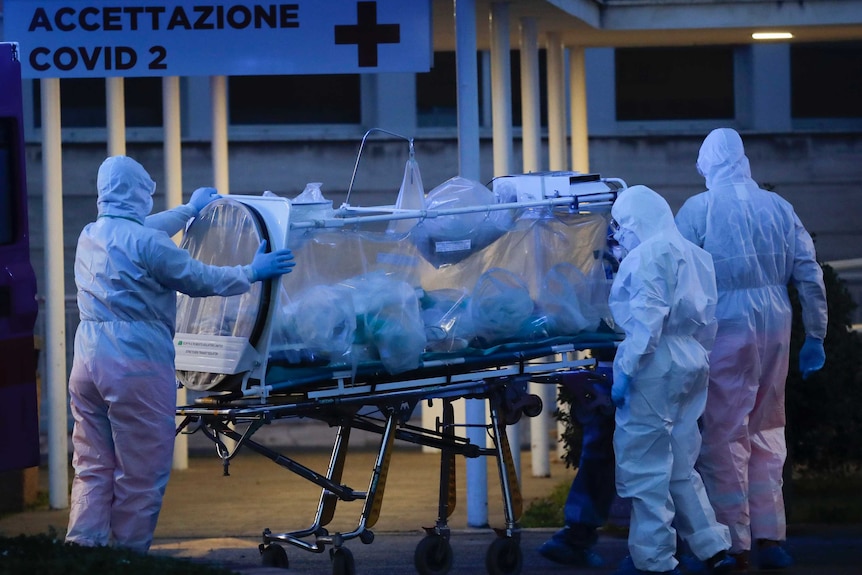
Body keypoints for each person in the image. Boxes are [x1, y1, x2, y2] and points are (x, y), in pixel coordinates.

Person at [65, 155, 296, 554]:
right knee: (140, 471)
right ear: (139, 192)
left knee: (92, 465)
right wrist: (253, 271)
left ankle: (83, 551)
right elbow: (198, 278)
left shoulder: (92, 234)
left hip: (86, 362)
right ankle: (128, 558)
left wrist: (189, 210)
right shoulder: (148, 243)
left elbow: (141, 232)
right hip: (134, 364)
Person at [675, 128, 828, 571]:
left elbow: (678, 274)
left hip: (725, 325)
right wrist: (816, 336)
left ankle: (732, 543)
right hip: (776, 322)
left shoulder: (699, 210)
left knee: (724, 434)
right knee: (767, 427)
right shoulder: (779, 208)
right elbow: (809, 274)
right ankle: (770, 537)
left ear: (707, 163)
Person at [608, 185, 735, 575]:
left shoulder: (648, 254)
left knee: (645, 466)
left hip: (654, 363)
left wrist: (626, 371)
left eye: (623, 227)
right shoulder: (696, 255)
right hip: (691, 358)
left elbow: (646, 322)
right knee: (682, 462)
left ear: (637, 221)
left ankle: (654, 560)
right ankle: (712, 546)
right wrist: (698, 360)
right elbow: (710, 318)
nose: (620, 237)